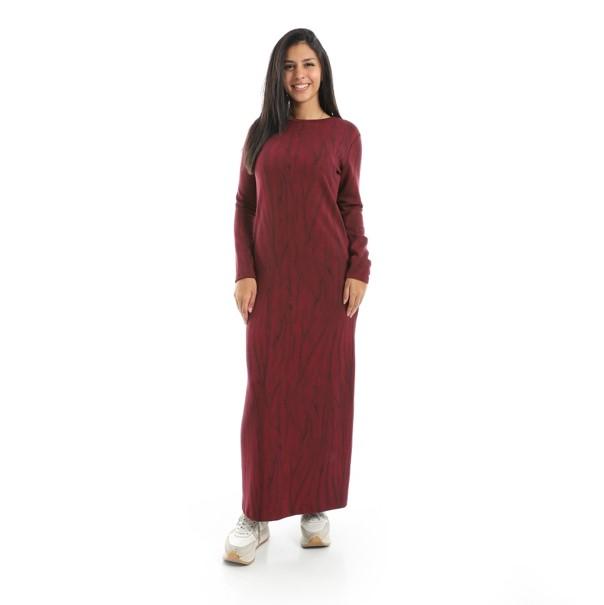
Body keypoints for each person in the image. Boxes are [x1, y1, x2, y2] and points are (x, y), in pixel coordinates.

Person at [224, 28, 372, 565]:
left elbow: (350, 206)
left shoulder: (344, 134)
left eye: (308, 64)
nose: (299, 75)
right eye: (289, 66)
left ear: (322, 69)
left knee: (323, 393)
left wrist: (360, 267)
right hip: (270, 286)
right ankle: (256, 512)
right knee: (267, 394)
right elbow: (245, 206)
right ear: (277, 75)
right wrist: (244, 272)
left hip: (330, 287)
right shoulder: (261, 133)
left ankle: (315, 506)